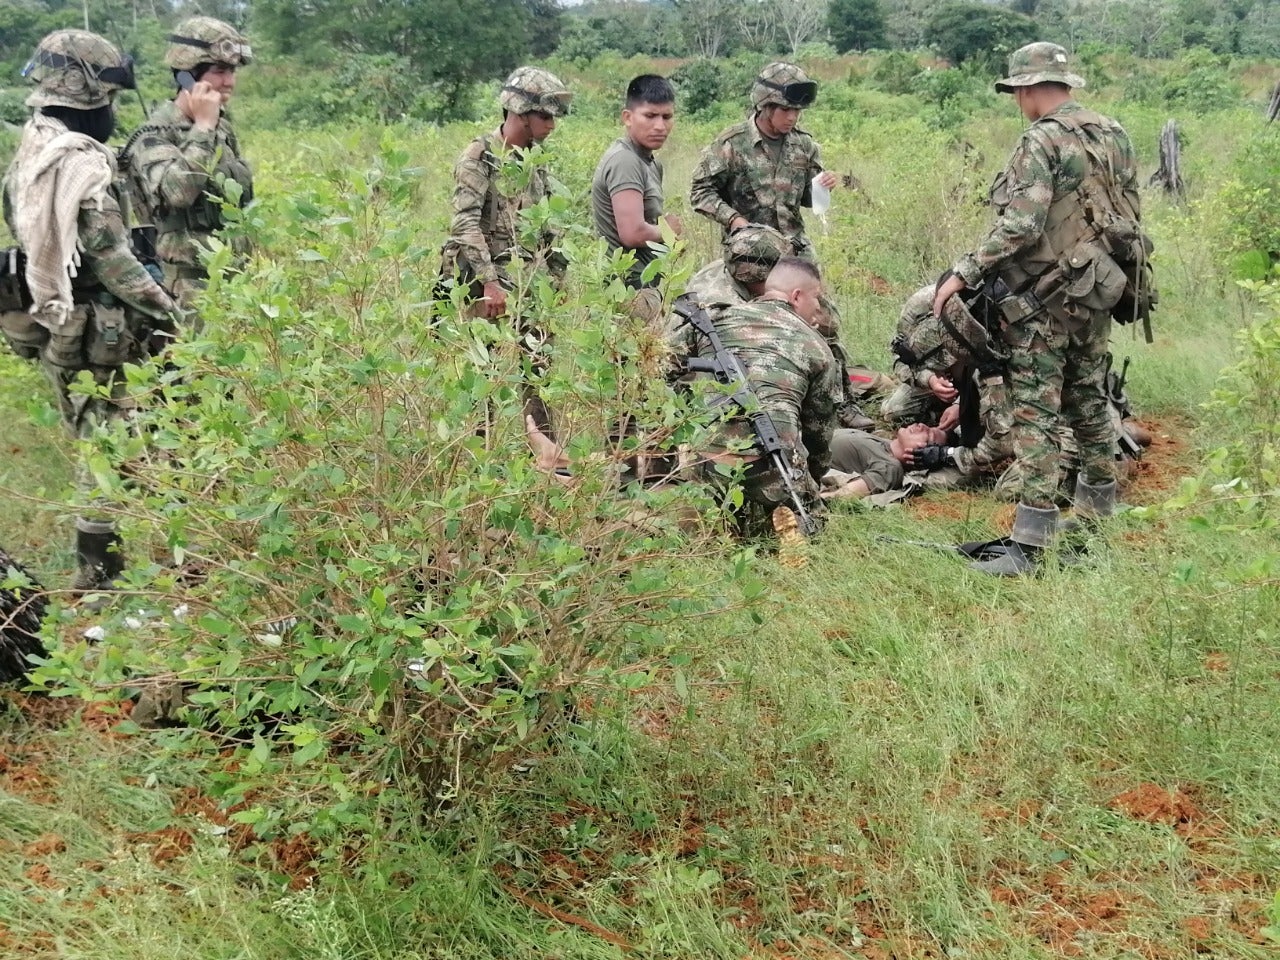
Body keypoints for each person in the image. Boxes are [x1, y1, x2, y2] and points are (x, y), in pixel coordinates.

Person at [933, 42, 1140, 576]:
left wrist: (963, 272)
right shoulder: (1113, 132)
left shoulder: (1041, 139)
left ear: (1026, 89)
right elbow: (1130, 214)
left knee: (1036, 412)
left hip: (1043, 303)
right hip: (1096, 290)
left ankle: (1032, 542)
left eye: (1016, 92)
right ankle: (1097, 521)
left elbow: (1021, 226)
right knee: (1090, 400)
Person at [2, 30, 180, 593]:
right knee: (108, 449)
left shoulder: (33, 150)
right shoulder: (78, 165)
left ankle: (105, 572)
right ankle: (98, 580)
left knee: (104, 445)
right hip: (96, 334)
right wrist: (166, 308)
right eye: (110, 100)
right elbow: (111, 259)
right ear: (89, 97)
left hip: (63, 328)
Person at [437, 66, 571, 435]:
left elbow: (545, 224)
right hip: (486, 283)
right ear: (519, 112)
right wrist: (490, 284)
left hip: (529, 282)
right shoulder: (479, 157)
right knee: (486, 375)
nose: (551, 126)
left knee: (539, 369)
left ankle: (545, 452)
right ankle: (485, 456)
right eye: (544, 116)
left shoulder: (533, 158)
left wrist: (555, 282)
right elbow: (464, 223)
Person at [684, 257, 840, 532]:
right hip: (773, 464)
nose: (818, 309)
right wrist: (810, 478)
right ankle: (781, 518)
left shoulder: (717, 319)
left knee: (710, 517)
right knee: (814, 525)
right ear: (796, 296)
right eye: (817, 299)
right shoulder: (816, 347)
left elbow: (665, 365)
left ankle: (719, 524)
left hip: (706, 459)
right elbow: (819, 432)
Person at [117, 16, 253, 313]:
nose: (229, 81)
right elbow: (177, 192)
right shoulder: (154, 135)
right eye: (219, 70)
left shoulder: (222, 129)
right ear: (187, 75)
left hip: (237, 281)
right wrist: (203, 127)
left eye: (231, 71)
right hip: (190, 291)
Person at [591, 75, 681, 293]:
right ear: (628, 117)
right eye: (650, 116)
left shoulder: (650, 162)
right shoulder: (626, 161)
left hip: (643, 284)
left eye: (666, 117)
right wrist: (668, 231)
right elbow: (633, 233)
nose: (660, 126)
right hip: (627, 288)